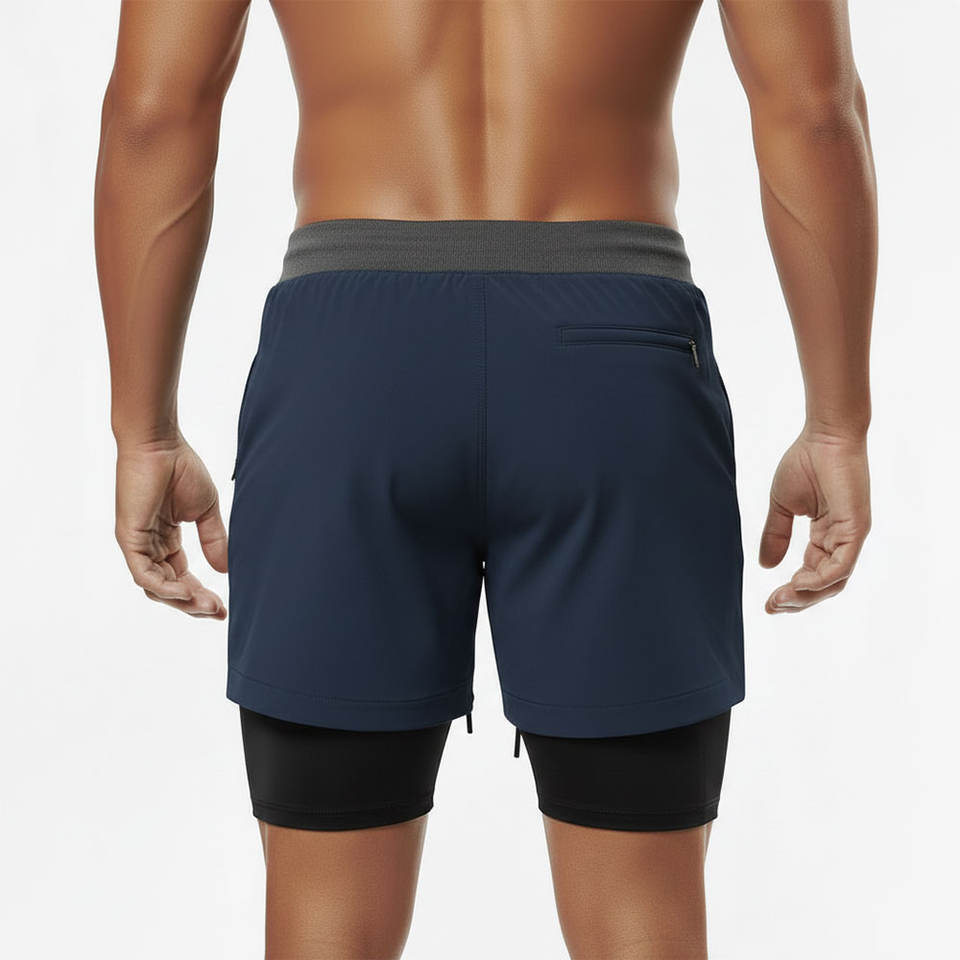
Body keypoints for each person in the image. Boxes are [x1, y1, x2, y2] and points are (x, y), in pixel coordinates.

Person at [95, 1, 875, 957]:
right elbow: (814, 111)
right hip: (613, 367)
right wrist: (838, 423)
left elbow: (153, 113)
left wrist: (144, 433)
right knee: (642, 911)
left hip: (351, 370)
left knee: (324, 920)